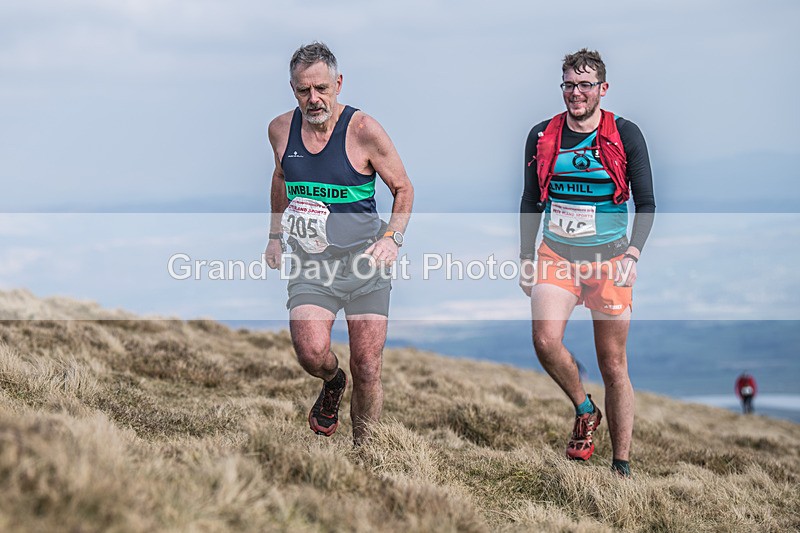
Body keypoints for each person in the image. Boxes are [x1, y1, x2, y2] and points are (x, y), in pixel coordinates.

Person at [264, 42, 414, 444]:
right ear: (293, 89)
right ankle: (332, 382)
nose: (313, 99)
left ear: (338, 84)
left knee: (368, 366)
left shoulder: (364, 131)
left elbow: (403, 188)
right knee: (311, 352)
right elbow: (280, 180)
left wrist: (392, 238)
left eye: (322, 88)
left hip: (365, 263)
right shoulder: (280, 129)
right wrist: (275, 237)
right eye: (303, 90)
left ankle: (365, 453)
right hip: (313, 263)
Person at [518, 48, 656, 478]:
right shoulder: (542, 135)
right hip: (556, 252)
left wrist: (633, 253)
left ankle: (621, 465)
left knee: (613, 363)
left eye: (585, 85)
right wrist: (526, 255)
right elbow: (531, 200)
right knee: (544, 341)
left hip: (610, 259)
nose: (576, 93)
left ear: (602, 88)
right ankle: (584, 408)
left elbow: (647, 203)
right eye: (569, 85)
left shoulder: (625, 134)